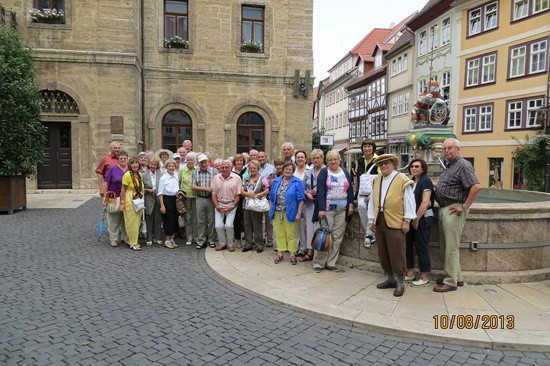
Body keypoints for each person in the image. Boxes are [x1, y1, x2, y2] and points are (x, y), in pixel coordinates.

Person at [433, 138, 481, 292]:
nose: (446, 151)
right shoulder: (450, 165)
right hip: (445, 209)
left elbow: (476, 186)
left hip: (453, 209)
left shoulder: (463, 165)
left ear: (458, 149)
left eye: (450, 148)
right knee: (446, 246)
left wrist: (465, 206)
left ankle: (450, 282)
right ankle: (457, 277)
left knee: (451, 248)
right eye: (445, 149)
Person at [368, 154, 416, 297]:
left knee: (397, 253)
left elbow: (409, 200)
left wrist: (407, 219)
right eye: (381, 164)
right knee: (383, 252)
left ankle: (400, 282)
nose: (384, 166)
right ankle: (390, 279)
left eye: (387, 163)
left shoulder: (402, 179)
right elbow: (372, 201)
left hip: (395, 220)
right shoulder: (376, 180)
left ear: (393, 164)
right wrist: (371, 219)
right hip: (380, 219)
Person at [312, 151, 354, 273]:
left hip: (342, 210)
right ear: (327, 161)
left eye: (335, 159)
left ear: (339, 160)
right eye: (330, 160)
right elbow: (320, 192)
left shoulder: (345, 172)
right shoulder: (324, 173)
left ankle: (331, 263)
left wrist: (350, 204)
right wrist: (321, 209)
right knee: (324, 237)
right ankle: (318, 263)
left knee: (337, 237)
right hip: (327, 210)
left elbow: (350, 189)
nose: (333, 162)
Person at [268, 161, 305, 265]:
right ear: (283, 170)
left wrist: (299, 213)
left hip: (291, 212)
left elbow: (301, 199)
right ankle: (280, 253)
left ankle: (292, 255)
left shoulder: (297, 182)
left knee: (291, 234)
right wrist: (271, 208)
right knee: (279, 234)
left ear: (293, 171)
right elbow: (271, 197)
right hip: (277, 211)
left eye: (290, 169)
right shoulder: (276, 181)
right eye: (286, 169)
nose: (288, 171)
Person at [405, 158, 434, 287]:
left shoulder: (426, 181)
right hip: (410, 219)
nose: (414, 168)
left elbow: (425, 202)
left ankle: (424, 276)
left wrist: (417, 218)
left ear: (423, 168)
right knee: (408, 245)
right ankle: (410, 273)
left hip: (422, 219)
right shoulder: (411, 182)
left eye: (417, 166)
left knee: (421, 247)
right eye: (412, 166)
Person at [300, 149, 325, 262]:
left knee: (320, 228)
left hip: (323, 204)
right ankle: (310, 251)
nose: (316, 160)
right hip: (310, 204)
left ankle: (319, 252)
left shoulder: (327, 171)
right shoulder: (308, 173)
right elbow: (302, 188)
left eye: (318, 158)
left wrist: (317, 191)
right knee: (310, 228)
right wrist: (307, 194)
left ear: (322, 158)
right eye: (314, 158)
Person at [212, 160, 242, 252]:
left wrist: (232, 206)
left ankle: (231, 244)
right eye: (222, 167)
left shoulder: (237, 178)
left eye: (226, 167)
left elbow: (238, 194)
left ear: (230, 167)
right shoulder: (216, 178)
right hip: (219, 204)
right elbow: (213, 194)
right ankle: (222, 244)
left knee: (229, 225)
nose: (224, 169)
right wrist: (217, 206)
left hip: (231, 204)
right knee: (218, 226)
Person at [241, 160, 270, 253]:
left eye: (254, 168)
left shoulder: (263, 178)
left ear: (258, 169)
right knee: (247, 225)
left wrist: (258, 195)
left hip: (257, 205)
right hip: (246, 205)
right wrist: (248, 194)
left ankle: (259, 245)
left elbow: (267, 190)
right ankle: (248, 244)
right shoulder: (246, 178)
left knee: (257, 225)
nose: (252, 169)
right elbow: (241, 191)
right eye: (251, 168)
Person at [355, 140, 379, 248]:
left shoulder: (378, 160)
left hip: (373, 192)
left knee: (370, 207)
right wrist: (355, 192)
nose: (367, 148)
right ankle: (370, 232)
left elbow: (380, 178)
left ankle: (369, 235)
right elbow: (357, 178)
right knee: (360, 206)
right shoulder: (359, 160)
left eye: (369, 146)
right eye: (365, 146)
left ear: (373, 148)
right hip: (362, 191)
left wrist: (374, 193)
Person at [102, 150, 128, 247]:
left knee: (126, 219)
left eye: (124, 158)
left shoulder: (130, 169)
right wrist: (105, 196)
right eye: (121, 158)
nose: (123, 160)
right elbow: (106, 183)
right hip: (114, 196)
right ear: (118, 160)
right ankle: (114, 239)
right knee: (114, 219)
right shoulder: (112, 169)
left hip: (127, 197)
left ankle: (125, 238)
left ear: (127, 159)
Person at [191, 154, 217, 249]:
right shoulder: (195, 172)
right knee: (200, 220)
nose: (203, 164)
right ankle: (201, 241)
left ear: (208, 162)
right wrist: (205, 189)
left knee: (211, 220)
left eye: (205, 162)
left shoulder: (214, 171)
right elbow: (193, 186)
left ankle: (211, 240)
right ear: (198, 163)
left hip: (211, 199)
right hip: (200, 198)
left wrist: (208, 189)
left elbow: (216, 185)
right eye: (201, 162)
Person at [120, 156, 145, 251]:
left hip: (138, 200)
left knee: (137, 222)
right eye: (133, 163)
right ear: (130, 165)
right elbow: (123, 190)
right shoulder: (127, 175)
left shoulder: (140, 175)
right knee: (131, 222)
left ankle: (133, 240)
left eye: (136, 163)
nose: (135, 165)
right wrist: (122, 203)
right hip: (129, 199)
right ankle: (132, 242)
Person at [158, 159, 180, 249]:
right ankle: (167, 240)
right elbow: (160, 193)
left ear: (175, 167)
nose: (171, 167)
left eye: (173, 166)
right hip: (166, 199)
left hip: (176, 199)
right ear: (166, 167)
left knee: (175, 219)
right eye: (169, 166)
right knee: (168, 220)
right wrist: (162, 205)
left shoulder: (177, 176)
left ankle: (172, 239)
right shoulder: (163, 178)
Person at [143, 156, 164, 246]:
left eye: (155, 165)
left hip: (158, 197)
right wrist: (147, 190)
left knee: (158, 218)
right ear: (149, 165)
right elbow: (141, 187)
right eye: (151, 164)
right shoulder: (144, 175)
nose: (153, 166)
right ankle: (149, 238)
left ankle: (157, 237)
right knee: (149, 217)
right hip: (148, 197)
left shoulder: (160, 175)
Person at [258, 151, 277, 247]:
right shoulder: (256, 167)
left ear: (266, 157)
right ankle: (260, 239)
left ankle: (269, 240)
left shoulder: (272, 168)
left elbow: (274, 180)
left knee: (269, 219)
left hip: (268, 197)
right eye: (259, 157)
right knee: (259, 220)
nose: (261, 158)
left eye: (262, 157)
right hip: (258, 197)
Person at [179, 152, 198, 245]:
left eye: (192, 160)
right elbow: (179, 182)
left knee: (196, 218)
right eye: (189, 160)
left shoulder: (197, 169)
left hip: (196, 196)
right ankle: (189, 237)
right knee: (188, 218)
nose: (190, 161)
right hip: (186, 197)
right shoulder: (182, 170)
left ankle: (196, 237)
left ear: (194, 161)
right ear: (186, 160)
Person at [293, 150, 310, 256]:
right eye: (298, 157)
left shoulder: (310, 170)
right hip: (295, 202)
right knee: (297, 226)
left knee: (306, 225)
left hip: (307, 202)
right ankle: (300, 247)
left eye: (301, 157)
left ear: (305, 159)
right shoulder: (294, 171)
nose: (300, 159)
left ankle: (306, 247)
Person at [232, 154, 248, 248]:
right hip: (235, 198)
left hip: (246, 197)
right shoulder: (232, 172)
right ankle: (238, 239)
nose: (239, 162)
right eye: (237, 160)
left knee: (246, 219)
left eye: (241, 160)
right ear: (234, 162)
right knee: (236, 219)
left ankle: (247, 238)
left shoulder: (247, 171)